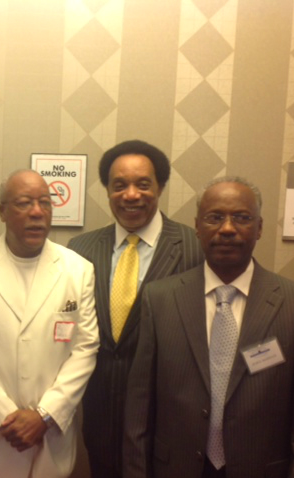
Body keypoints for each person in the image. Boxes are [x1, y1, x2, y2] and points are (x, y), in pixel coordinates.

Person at [123, 177, 294, 478]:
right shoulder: (159, 300)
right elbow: (138, 410)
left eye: (241, 217)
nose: (227, 228)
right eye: (214, 217)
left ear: (260, 227)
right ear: (197, 227)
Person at [0, 169, 100, 478]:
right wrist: (6, 417)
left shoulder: (78, 270)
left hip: (51, 440)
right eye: (24, 203)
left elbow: (85, 349)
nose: (37, 212)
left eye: (45, 202)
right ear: (2, 211)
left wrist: (45, 416)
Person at [67, 140, 203, 478]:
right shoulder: (80, 249)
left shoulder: (194, 248)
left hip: (167, 420)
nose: (131, 195)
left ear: (160, 187)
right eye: (119, 185)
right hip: (99, 416)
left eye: (143, 184)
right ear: (107, 191)